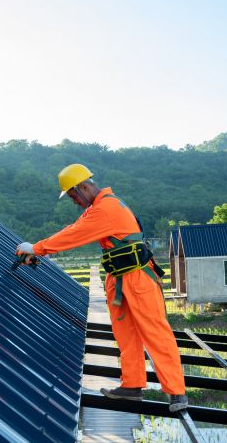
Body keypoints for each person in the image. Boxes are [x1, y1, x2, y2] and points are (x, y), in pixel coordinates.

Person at [16, 164, 188, 412]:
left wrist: (36, 248)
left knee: (155, 333)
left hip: (139, 278)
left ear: (83, 187)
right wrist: (38, 249)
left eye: (74, 195)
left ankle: (177, 393)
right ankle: (132, 385)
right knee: (125, 334)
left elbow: (73, 236)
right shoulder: (97, 207)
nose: (74, 201)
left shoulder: (105, 209)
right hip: (118, 279)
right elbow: (72, 229)